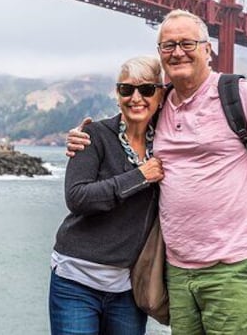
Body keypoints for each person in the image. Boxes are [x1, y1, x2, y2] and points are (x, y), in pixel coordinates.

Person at [67, 9, 247, 335]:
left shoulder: (238, 95)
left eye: (187, 43)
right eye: (168, 46)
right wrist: (80, 138)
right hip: (178, 271)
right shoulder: (163, 103)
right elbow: (128, 123)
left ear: (207, 49)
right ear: (160, 54)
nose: (178, 52)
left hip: (233, 266)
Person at [50, 56, 165, 335]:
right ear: (117, 96)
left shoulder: (167, 141)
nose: (136, 97)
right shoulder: (94, 135)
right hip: (74, 281)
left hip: (128, 287)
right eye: (126, 90)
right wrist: (139, 176)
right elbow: (77, 198)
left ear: (160, 95)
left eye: (146, 89)